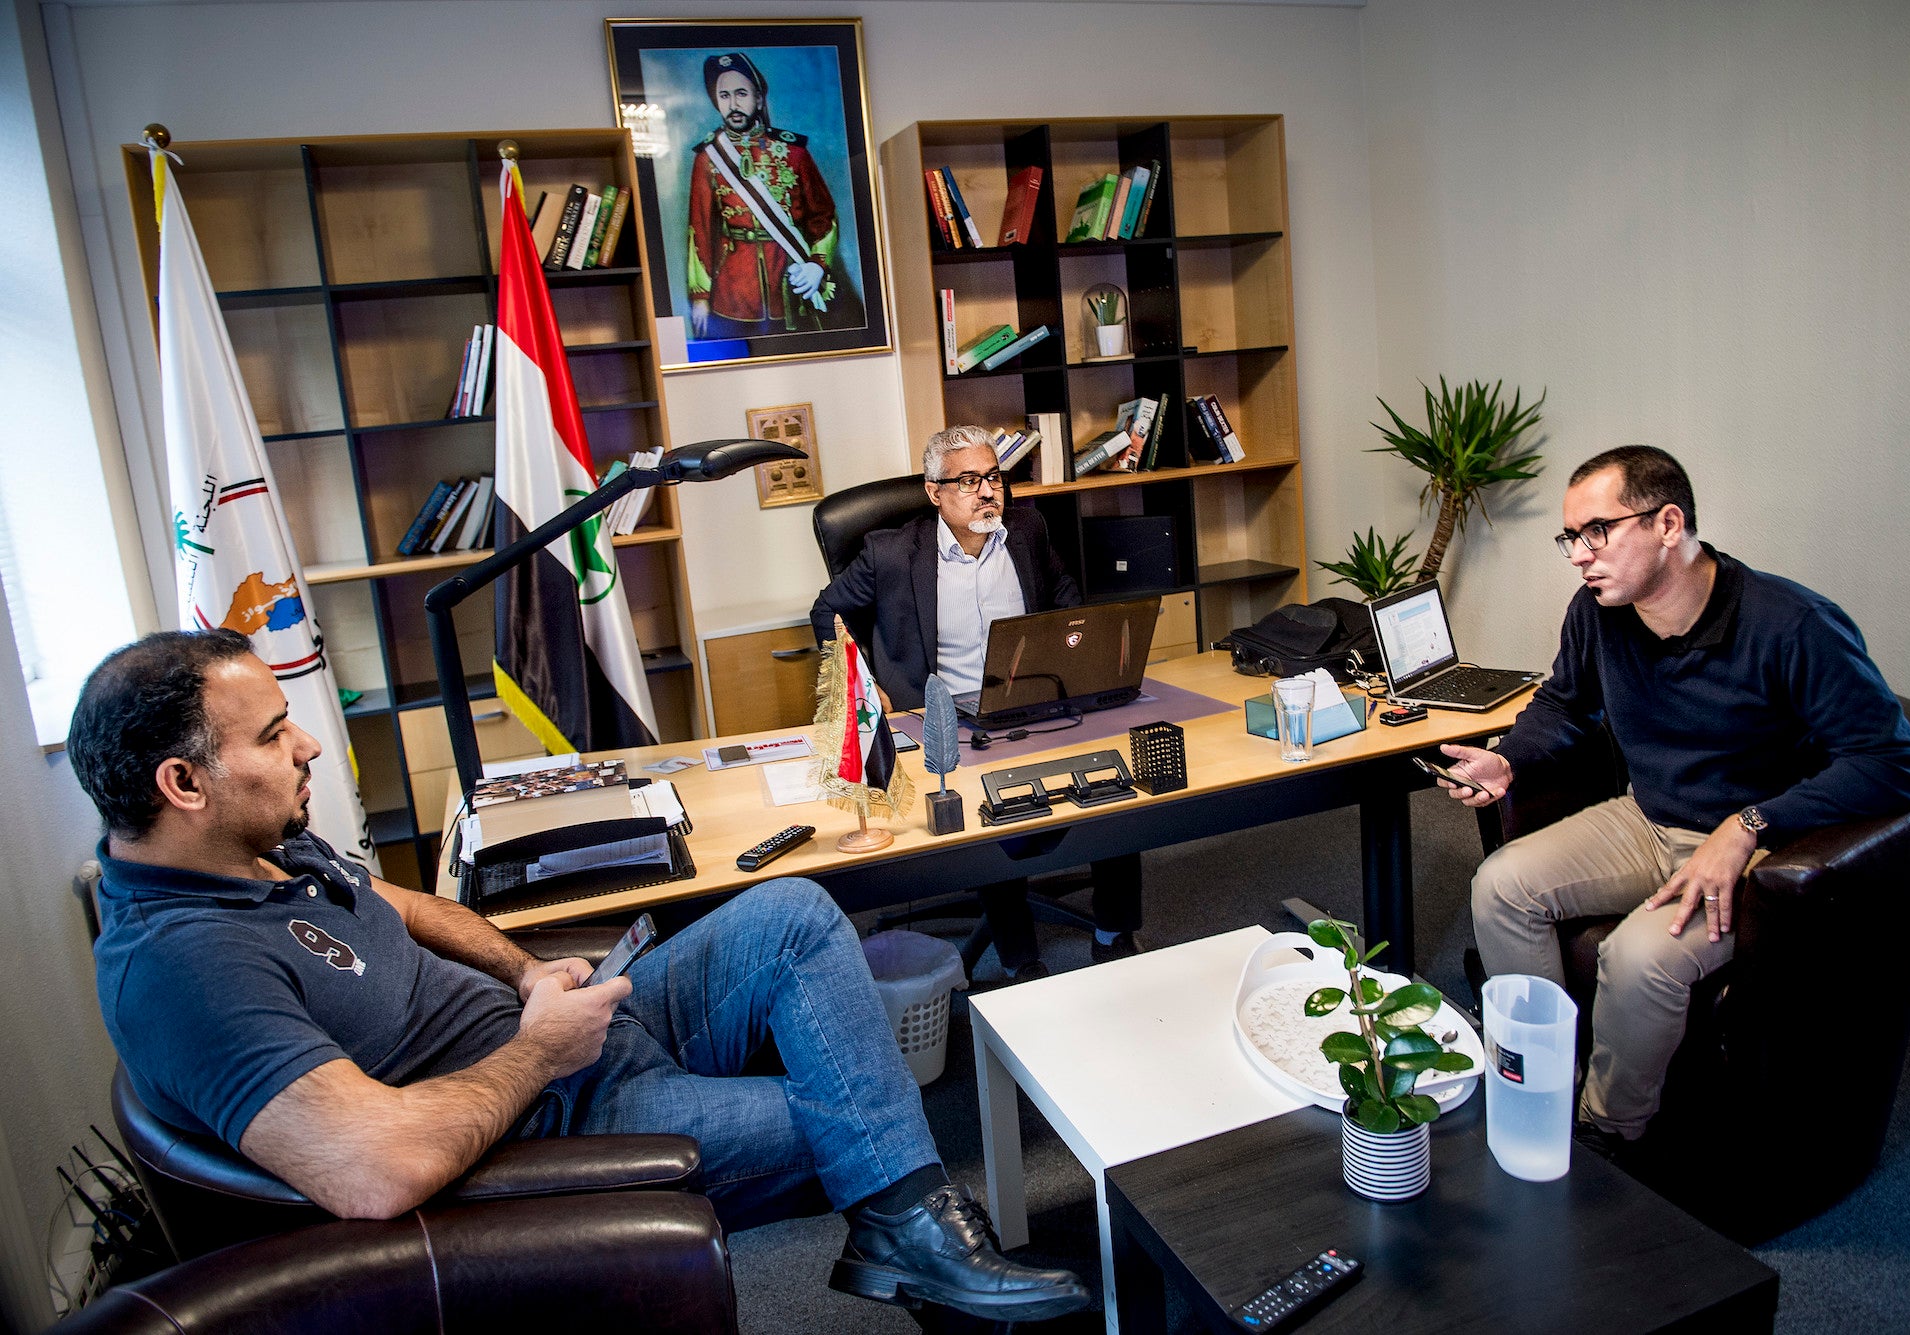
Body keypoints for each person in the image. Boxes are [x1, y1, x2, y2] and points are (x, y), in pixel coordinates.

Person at [73, 629, 1091, 1324]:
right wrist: (537, 1052)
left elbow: (399, 907)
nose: (306, 746)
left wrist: (523, 975)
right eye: (271, 735)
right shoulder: (182, 968)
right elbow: (371, 1172)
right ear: (182, 784)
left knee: (790, 910)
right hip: (551, 1124)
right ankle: (922, 1247)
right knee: (854, 1112)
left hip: (560, 1037)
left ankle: (907, 1238)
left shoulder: (257, 846)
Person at [1436, 445, 1910, 1155]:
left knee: (1638, 960)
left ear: (1668, 523)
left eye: (1597, 530)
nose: (1578, 554)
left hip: (1756, 846)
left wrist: (1752, 822)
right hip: (1648, 816)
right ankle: (1543, 1082)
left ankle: (1607, 1131)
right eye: (1571, 536)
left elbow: (1895, 762)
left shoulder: (1792, 625)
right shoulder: (1600, 611)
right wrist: (1508, 757)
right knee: (1501, 886)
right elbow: (1567, 704)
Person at [809, 425, 1145, 980]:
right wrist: (865, 681)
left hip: (1040, 704)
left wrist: (1080, 647)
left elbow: (1062, 591)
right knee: (993, 807)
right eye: (968, 481)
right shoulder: (890, 552)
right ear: (933, 491)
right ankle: (1019, 959)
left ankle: (1113, 931)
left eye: (993, 477)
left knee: (1118, 790)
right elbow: (827, 611)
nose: (988, 491)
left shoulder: (1027, 529)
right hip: (947, 723)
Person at [685, 51, 841, 341]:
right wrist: (700, 297)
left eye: (741, 94)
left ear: (758, 99)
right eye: (724, 96)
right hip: (734, 293)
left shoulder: (794, 152)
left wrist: (817, 266)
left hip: (790, 283)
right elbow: (700, 231)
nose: (733, 104)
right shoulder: (708, 158)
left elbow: (825, 217)